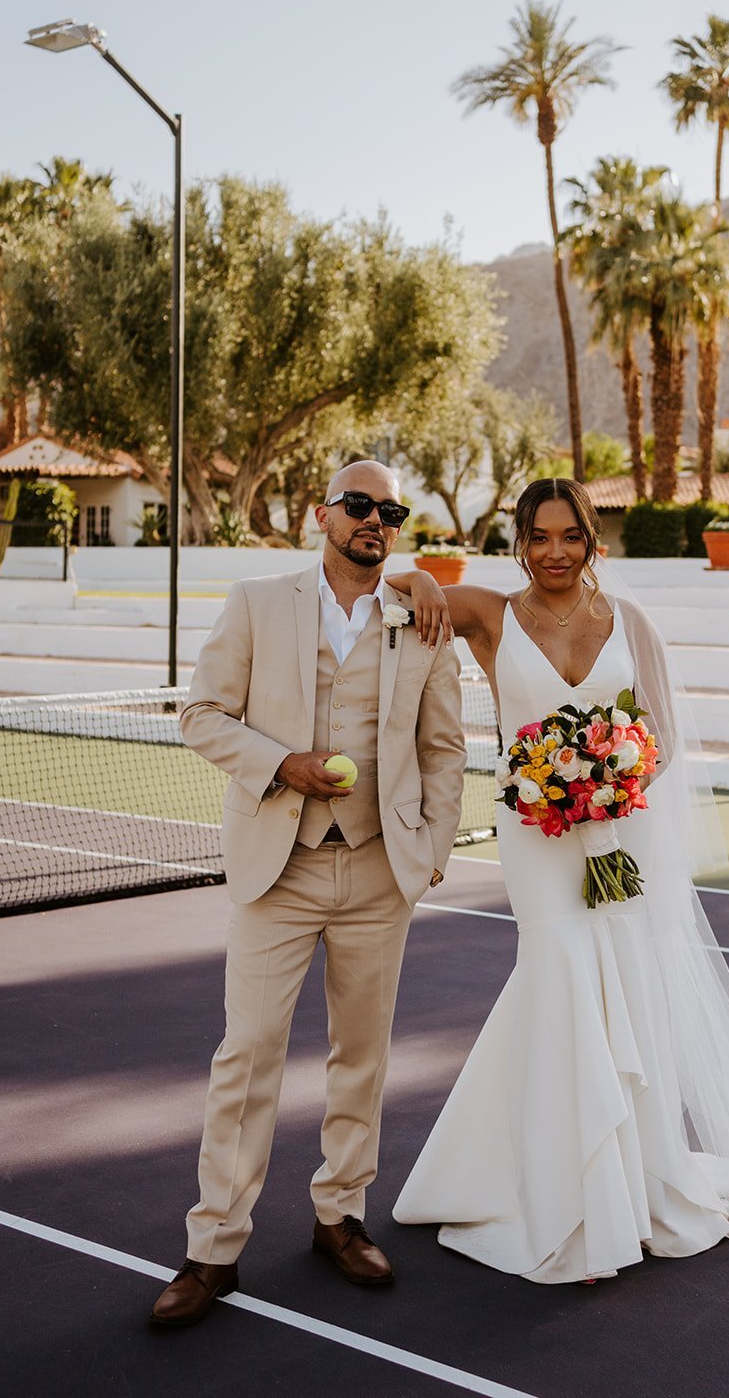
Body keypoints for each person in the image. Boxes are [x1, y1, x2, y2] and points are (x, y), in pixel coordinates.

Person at [389, 478, 729, 1284]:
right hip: (535, 837)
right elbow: (396, 582)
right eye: (538, 537)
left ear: (591, 539)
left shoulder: (628, 623)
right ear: (520, 542)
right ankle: (559, 1193)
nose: (554, 552)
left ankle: (631, 1186)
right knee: (557, 976)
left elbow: (662, 739)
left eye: (569, 535)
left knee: (625, 992)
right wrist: (425, 581)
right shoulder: (491, 616)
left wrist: (605, 786)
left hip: (620, 833)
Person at [150, 460, 466, 1327]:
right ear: (320, 514)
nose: (374, 520)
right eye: (358, 505)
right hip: (275, 870)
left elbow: (444, 749)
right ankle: (213, 1248)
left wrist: (429, 851)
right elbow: (201, 713)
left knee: (361, 1055)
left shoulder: (419, 617)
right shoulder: (258, 601)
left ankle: (340, 1216)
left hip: (378, 871)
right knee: (246, 1057)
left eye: (389, 511)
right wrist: (278, 765)